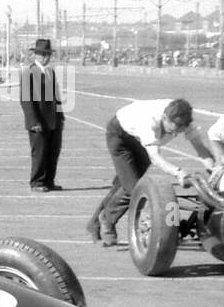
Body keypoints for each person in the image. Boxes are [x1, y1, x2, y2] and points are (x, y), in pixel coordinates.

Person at [87, 98, 217, 246]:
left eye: (181, 128)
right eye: (175, 127)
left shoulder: (184, 122)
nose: (177, 131)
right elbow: (155, 158)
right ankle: (106, 219)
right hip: (120, 136)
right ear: (165, 118)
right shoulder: (148, 122)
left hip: (142, 142)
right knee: (134, 188)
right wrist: (179, 172)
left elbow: (200, 149)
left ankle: (94, 223)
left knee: (124, 183)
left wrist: (215, 171)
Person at [20, 38, 65, 192]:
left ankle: (49, 181)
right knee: (39, 153)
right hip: (38, 121)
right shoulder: (29, 72)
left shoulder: (50, 72)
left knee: (53, 153)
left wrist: (61, 117)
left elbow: (56, 97)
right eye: (43, 54)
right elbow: (26, 100)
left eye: (48, 54)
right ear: (36, 55)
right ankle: (37, 182)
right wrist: (33, 121)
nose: (46, 57)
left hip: (54, 120)